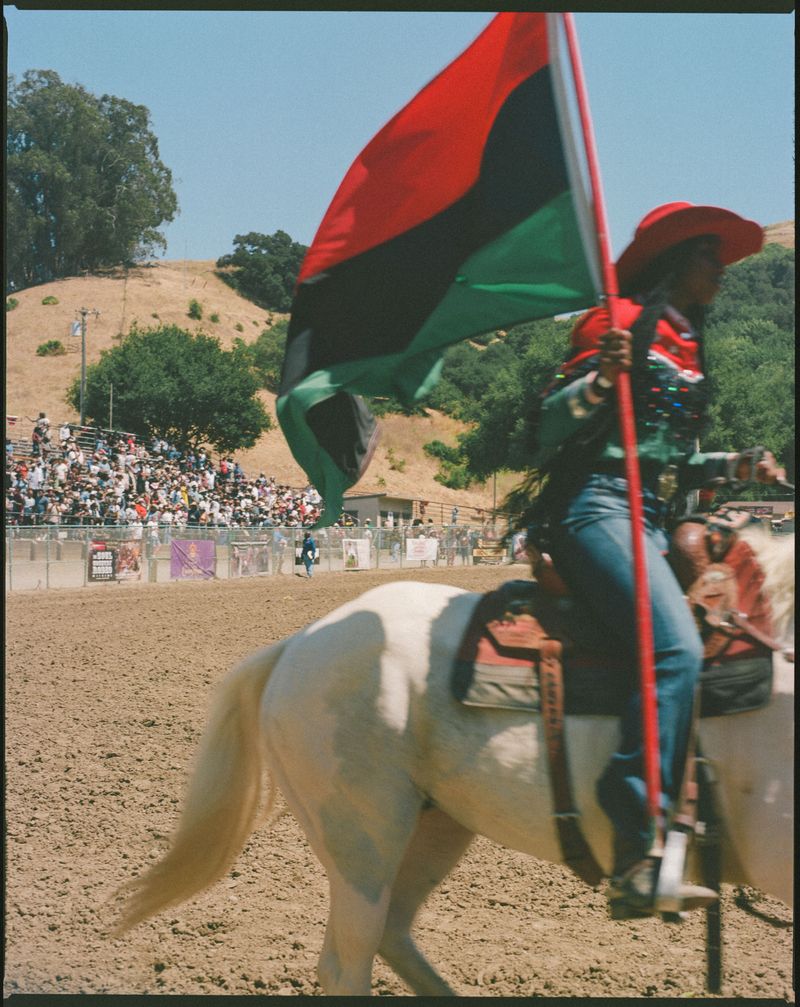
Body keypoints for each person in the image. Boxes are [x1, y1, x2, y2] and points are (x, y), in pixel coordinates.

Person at [524, 202, 786, 919]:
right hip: (596, 508)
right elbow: (546, 423)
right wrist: (599, 382)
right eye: (712, 259)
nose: (723, 274)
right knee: (674, 647)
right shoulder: (615, 323)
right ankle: (636, 829)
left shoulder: (685, 339)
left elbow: (668, 458)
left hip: (654, 513)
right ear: (678, 260)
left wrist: (734, 462)